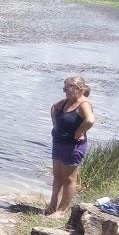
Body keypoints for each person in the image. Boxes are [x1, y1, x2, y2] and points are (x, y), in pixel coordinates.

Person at [46, 75, 96, 217]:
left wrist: (79, 132)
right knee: (57, 176)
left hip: (73, 146)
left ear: (77, 88)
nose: (65, 91)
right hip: (58, 143)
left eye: (67, 88)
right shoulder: (64, 103)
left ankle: (61, 211)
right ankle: (52, 206)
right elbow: (53, 108)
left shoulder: (83, 103)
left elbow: (90, 120)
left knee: (69, 179)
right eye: (64, 88)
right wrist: (56, 127)